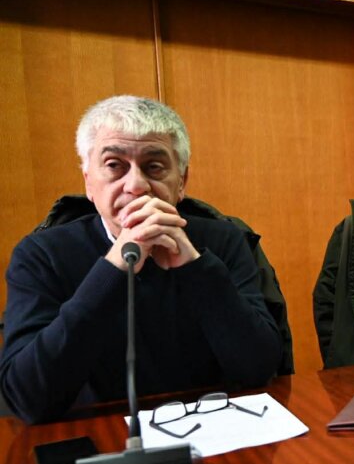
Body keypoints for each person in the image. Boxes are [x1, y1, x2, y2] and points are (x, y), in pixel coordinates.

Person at [0, 95, 282, 423]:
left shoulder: (224, 240)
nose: (135, 185)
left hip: (212, 425)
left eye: (154, 167)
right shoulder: (41, 255)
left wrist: (195, 267)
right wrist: (115, 268)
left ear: (182, 182)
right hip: (100, 433)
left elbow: (260, 370)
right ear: (88, 180)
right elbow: (28, 399)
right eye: (114, 165)